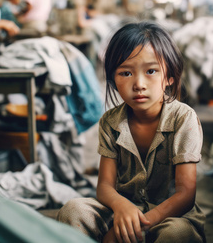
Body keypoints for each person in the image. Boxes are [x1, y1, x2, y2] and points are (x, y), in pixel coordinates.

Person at [58, 21, 205, 243]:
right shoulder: (110, 122)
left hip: (170, 216)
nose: (139, 84)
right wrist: (122, 206)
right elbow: (105, 186)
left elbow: (185, 195)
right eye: (125, 73)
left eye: (151, 71)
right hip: (123, 211)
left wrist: (137, 227)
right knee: (73, 209)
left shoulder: (184, 119)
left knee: (177, 234)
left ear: (170, 77)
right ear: (113, 80)